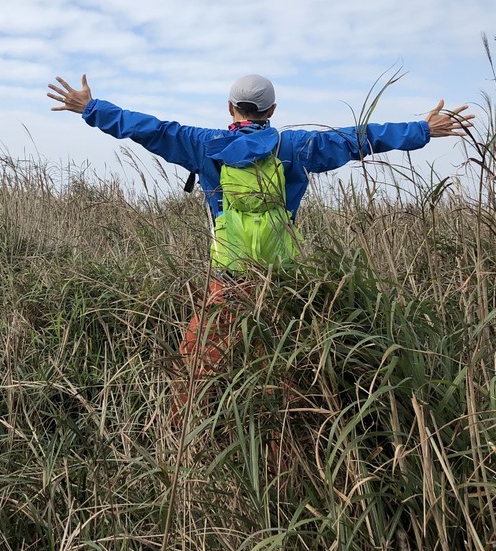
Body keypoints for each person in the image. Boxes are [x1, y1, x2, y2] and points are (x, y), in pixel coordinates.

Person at [47, 73, 474, 412]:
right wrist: (421, 128)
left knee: (196, 368)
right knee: (279, 371)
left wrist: (91, 108)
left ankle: (184, 432)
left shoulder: (202, 144)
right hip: (283, 278)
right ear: (271, 110)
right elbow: (358, 137)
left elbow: (150, 129)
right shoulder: (296, 146)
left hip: (227, 277)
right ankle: (279, 446)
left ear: (230, 108)